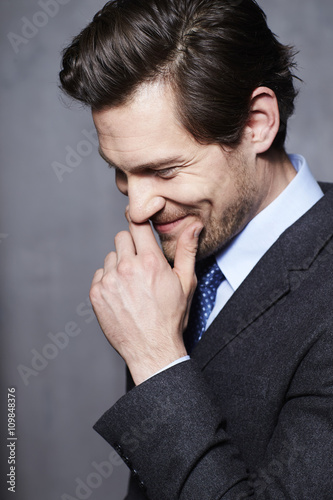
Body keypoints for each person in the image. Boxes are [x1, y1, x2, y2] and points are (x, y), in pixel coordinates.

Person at [59, 0, 333, 498]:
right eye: (119, 170)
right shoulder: (183, 253)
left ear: (257, 123)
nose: (137, 207)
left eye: (164, 171)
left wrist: (156, 358)